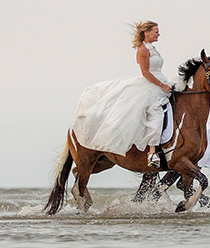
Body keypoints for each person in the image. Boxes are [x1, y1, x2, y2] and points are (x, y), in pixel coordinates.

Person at [71, 21, 173, 166]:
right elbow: (145, 72)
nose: (159, 34)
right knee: (156, 113)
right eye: (156, 31)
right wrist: (161, 85)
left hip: (160, 82)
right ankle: (152, 152)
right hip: (150, 86)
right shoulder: (143, 50)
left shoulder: (153, 49)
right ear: (146, 33)